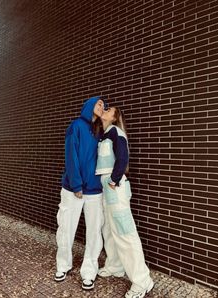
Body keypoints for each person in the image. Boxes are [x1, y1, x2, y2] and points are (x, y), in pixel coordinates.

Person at [95, 107, 154, 298]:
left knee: (125, 232)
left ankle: (142, 281)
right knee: (109, 230)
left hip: (115, 187)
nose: (105, 109)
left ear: (114, 117)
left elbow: (123, 157)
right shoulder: (104, 135)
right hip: (106, 187)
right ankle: (115, 265)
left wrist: (114, 179)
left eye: (109, 109)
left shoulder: (116, 132)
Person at [55, 96, 106, 291]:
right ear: (89, 106)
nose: (102, 106)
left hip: (95, 190)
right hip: (73, 189)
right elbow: (71, 155)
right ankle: (63, 264)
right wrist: (76, 185)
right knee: (66, 227)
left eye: (104, 105)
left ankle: (89, 270)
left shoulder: (101, 131)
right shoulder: (75, 126)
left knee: (94, 231)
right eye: (99, 103)